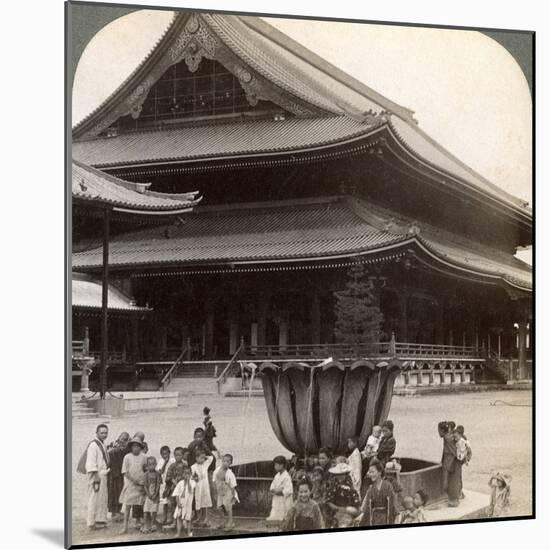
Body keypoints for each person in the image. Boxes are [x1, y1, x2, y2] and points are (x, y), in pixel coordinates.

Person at [84, 423, 111, 530]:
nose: (104, 435)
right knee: (94, 499)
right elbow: (91, 462)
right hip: (96, 475)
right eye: (102, 433)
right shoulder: (93, 445)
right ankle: (91, 522)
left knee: (102, 499)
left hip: (103, 474)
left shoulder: (102, 444)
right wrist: (95, 475)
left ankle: (100, 520)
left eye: (106, 433)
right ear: (97, 433)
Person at [118, 438, 147, 535]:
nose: (136, 448)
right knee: (127, 506)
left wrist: (143, 482)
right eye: (133, 446)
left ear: (141, 447)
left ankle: (143, 525)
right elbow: (125, 472)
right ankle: (124, 527)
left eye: (138, 446)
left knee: (141, 506)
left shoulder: (144, 457)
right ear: (131, 447)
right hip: (130, 485)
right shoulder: (127, 457)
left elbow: (146, 470)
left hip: (140, 486)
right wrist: (134, 480)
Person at [357, 459, 398, 526]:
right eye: (370, 472)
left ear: (379, 472)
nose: (371, 475)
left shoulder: (388, 486)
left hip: (386, 516)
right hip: (373, 517)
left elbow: (392, 505)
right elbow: (368, 508)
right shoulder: (371, 489)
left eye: (373, 472)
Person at [325, 462, 361, 527]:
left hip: (348, 514)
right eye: (338, 474)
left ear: (346, 474)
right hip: (335, 513)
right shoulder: (333, 486)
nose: (340, 476)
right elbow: (328, 501)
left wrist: (348, 510)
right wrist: (339, 509)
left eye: (342, 474)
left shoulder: (351, 487)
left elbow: (356, 505)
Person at [107, 432, 129, 523]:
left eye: (125, 439)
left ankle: (118, 511)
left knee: (120, 492)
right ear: (118, 438)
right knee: (112, 493)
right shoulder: (113, 447)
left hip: (119, 474)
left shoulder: (123, 448)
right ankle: (114, 513)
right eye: (122, 438)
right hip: (112, 474)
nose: (122, 441)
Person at [213, 453, 238, 531]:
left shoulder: (230, 473)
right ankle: (222, 521)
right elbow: (214, 480)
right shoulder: (217, 470)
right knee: (219, 507)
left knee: (228, 507)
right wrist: (215, 491)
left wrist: (233, 495)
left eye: (227, 461)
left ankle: (230, 522)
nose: (225, 463)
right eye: (224, 461)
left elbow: (233, 485)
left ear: (231, 463)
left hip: (228, 491)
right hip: (219, 491)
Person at [267, 455, 294, 522]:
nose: (275, 467)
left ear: (282, 465)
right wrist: (276, 490)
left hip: (284, 501)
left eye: (276, 465)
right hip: (276, 500)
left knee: (284, 519)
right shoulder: (277, 476)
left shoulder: (287, 477)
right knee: (274, 519)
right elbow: (272, 487)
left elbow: (289, 490)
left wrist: (280, 491)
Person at [191, 450, 214, 527]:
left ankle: (206, 518)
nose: (202, 460)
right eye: (200, 458)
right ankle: (198, 517)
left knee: (206, 502)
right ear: (196, 458)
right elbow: (192, 476)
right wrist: (194, 478)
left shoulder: (205, 464)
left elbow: (211, 458)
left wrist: (205, 456)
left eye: (203, 458)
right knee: (198, 502)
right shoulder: (193, 467)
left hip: (205, 486)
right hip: (198, 486)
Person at [172, 466, 196, 538]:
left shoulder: (193, 482)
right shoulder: (180, 483)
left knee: (188, 519)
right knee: (179, 518)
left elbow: (190, 490)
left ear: (191, 474)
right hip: (181, 502)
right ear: (182, 474)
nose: (186, 475)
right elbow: (176, 494)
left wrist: (188, 481)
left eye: (188, 473)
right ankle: (178, 533)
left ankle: (188, 533)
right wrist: (178, 502)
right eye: (185, 473)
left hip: (188, 503)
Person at [142, 456, 162, 533]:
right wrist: (149, 495)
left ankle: (153, 524)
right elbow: (145, 486)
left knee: (154, 510)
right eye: (150, 464)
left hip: (155, 496)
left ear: (156, 464)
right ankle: (145, 525)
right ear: (147, 465)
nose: (152, 466)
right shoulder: (146, 474)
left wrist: (155, 494)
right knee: (146, 511)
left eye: (153, 464)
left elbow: (158, 485)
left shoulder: (157, 474)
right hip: (148, 495)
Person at [156, 445, 175, 525]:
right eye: (163, 454)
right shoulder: (160, 461)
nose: (165, 456)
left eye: (166, 454)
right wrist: (165, 462)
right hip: (164, 485)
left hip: (171, 484)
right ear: (161, 455)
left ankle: (170, 518)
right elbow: (160, 472)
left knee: (171, 502)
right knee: (165, 503)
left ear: (169, 453)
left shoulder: (173, 460)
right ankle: (164, 517)